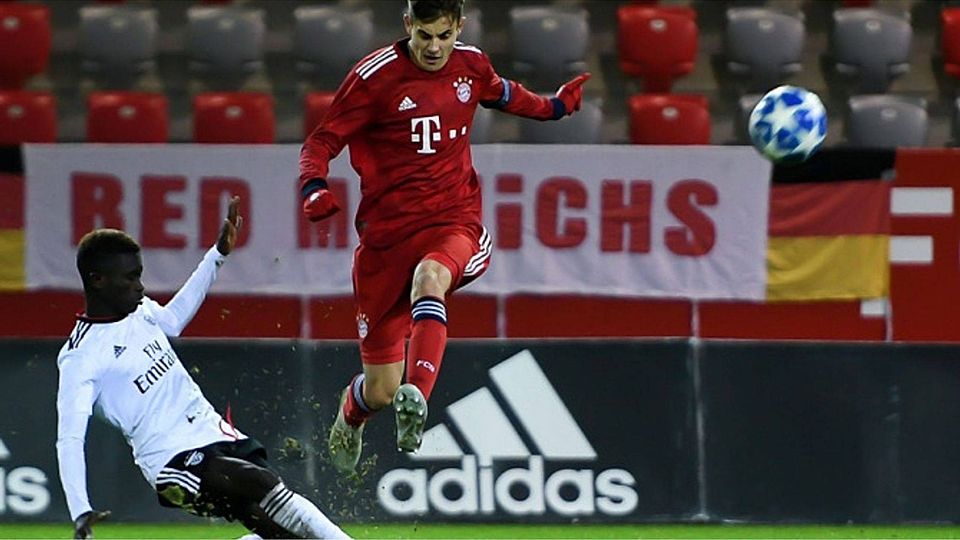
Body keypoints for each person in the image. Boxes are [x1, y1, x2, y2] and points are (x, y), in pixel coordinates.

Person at [298, 0, 590, 474]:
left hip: (453, 221)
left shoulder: (471, 65)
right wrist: (314, 186)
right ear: (408, 24)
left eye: (444, 35)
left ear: (459, 27)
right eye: (425, 35)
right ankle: (351, 413)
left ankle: (418, 396)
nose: (434, 47)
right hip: (385, 244)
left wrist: (556, 106)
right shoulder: (374, 78)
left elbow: (505, 94)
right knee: (379, 391)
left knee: (431, 277)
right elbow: (321, 142)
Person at [56, 197, 348, 540]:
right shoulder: (81, 357)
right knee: (262, 485)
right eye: (131, 278)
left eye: (140, 275)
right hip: (171, 460)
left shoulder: (140, 310)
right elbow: (70, 439)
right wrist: (80, 511)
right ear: (98, 280)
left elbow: (175, 320)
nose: (141, 285)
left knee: (272, 519)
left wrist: (217, 255)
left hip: (212, 433)